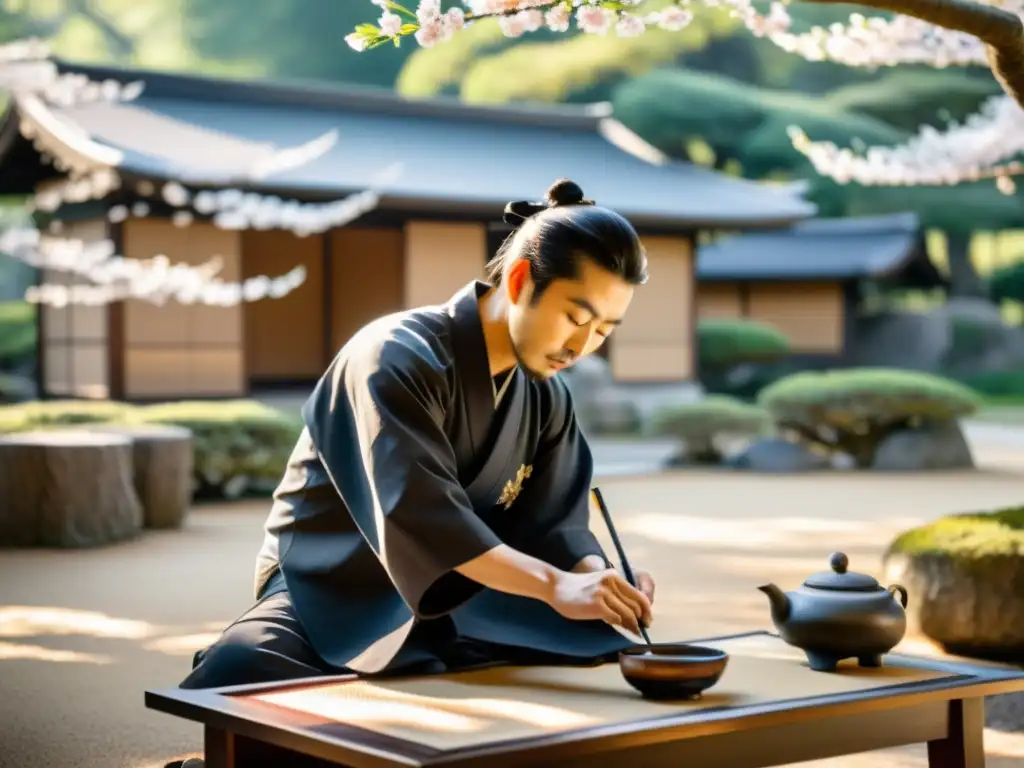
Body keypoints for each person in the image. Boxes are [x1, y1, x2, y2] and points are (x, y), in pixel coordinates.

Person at [179, 178, 657, 691]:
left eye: (604, 330)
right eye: (575, 317)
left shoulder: (546, 395)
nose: (583, 346)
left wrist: (597, 577)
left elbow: (555, 525)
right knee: (243, 669)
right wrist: (555, 584)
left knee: (593, 645)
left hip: (465, 586)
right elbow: (422, 512)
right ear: (519, 282)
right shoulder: (394, 356)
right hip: (335, 579)